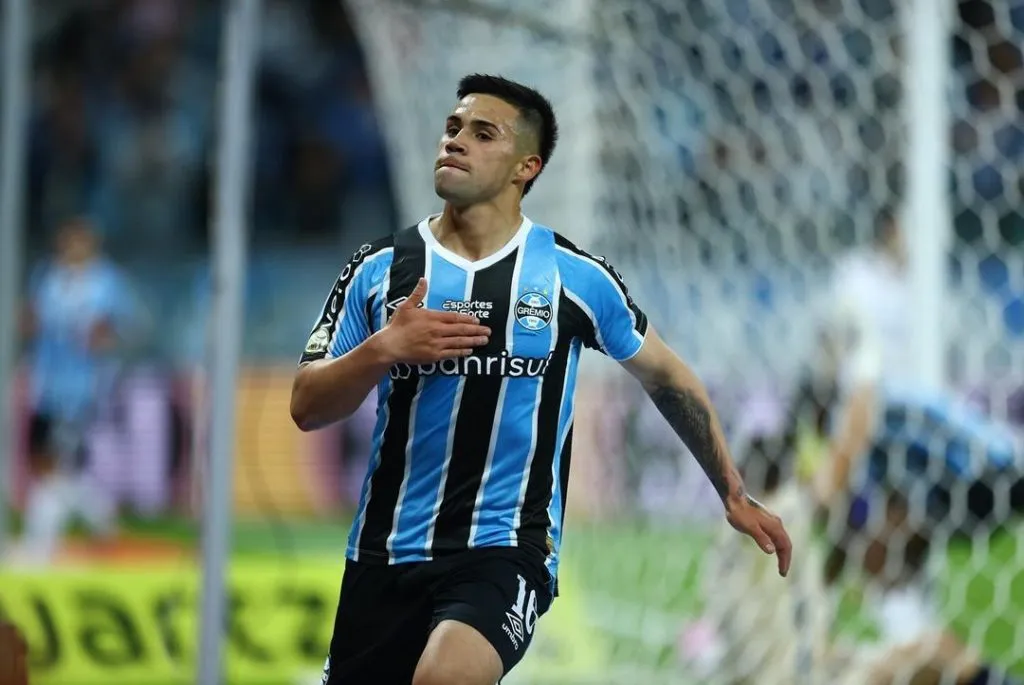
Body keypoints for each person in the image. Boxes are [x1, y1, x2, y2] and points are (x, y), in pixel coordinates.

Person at [289, 74, 793, 685]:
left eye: (481, 134)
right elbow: (307, 405)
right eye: (452, 129)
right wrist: (383, 350)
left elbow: (668, 378)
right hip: (383, 551)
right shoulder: (380, 269)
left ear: (526, 167)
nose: (455, 142)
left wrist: (732, 493)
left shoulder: (571, 277)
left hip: (506, 550)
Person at [689, 381, 1023, 685]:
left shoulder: (731, 538)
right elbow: (829, 485)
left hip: (802, 669)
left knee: (929, 651)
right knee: (938, 654)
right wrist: (863, 384)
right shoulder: (781, 517)